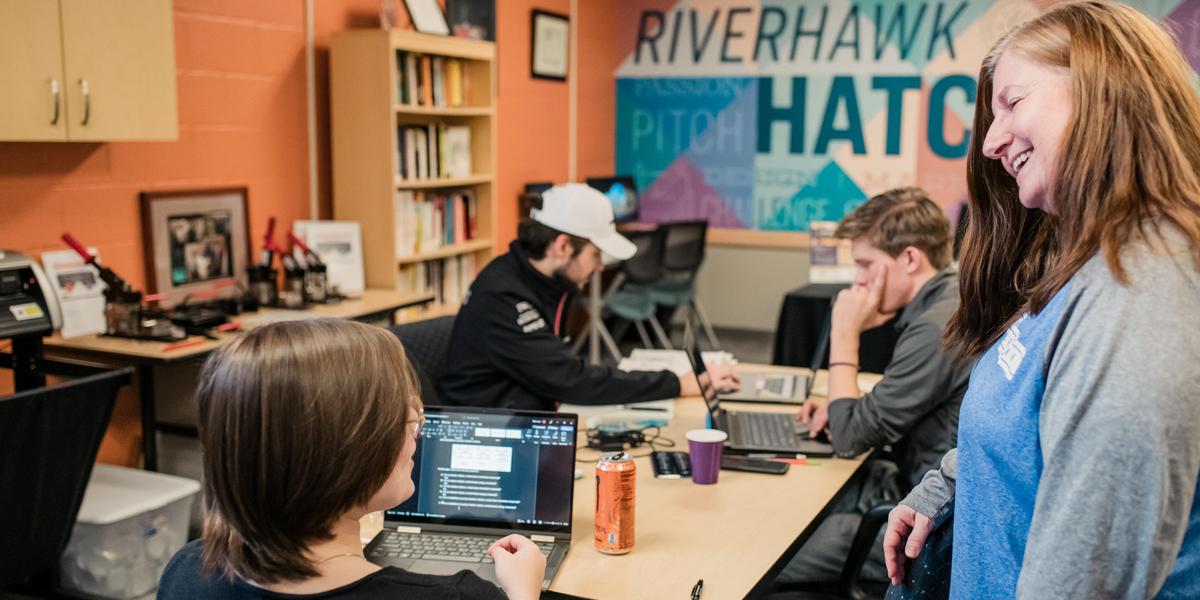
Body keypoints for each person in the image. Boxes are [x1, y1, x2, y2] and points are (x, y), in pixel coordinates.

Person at [883, 2, 1200, 598]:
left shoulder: (1141, 292)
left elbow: (1085, 578)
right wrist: (950, 484)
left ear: (1103, 88)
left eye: (1013, 103)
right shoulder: (1083, 263)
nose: (991, 143)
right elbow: (1033, 426)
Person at [158, 319, 548, 600]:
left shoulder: (188, 571)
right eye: (401, 413)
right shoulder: (459, 596)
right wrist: (523, 594)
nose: (418, 424)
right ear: (350, 449)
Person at [778, 187, 974, 585]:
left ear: (909, 258)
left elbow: (849, 436)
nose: (859, 280)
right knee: (787, 503)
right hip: (911, 486)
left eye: (866, 264)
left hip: (923, 521)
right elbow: (887, 410)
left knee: (768, 554)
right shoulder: (947, 302)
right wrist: (841, 406)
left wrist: (844, 332)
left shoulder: (936, 327)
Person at [440, 182, 738, 411]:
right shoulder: (502, 296)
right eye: (596, 254)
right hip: (488, 437)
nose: (599, 266)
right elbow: (570, 379)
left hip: (531, 415)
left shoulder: (546, 280)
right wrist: (677, 383)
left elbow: (563, 374)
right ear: (562, 246)